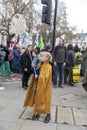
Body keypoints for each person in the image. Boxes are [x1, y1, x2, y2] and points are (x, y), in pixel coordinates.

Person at [23, 51, 52, 123]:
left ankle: (48, 114)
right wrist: (33, 68)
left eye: (42, 56)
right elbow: (36, 71)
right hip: (38, 86)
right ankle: (37, 112)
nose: (40, 57)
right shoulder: (40, 64)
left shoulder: (48, 66)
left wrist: (38, 76)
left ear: (47, 58)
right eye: (40, 56)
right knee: (37, 99)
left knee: (45, 100)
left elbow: (46, 77)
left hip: (45, 87)